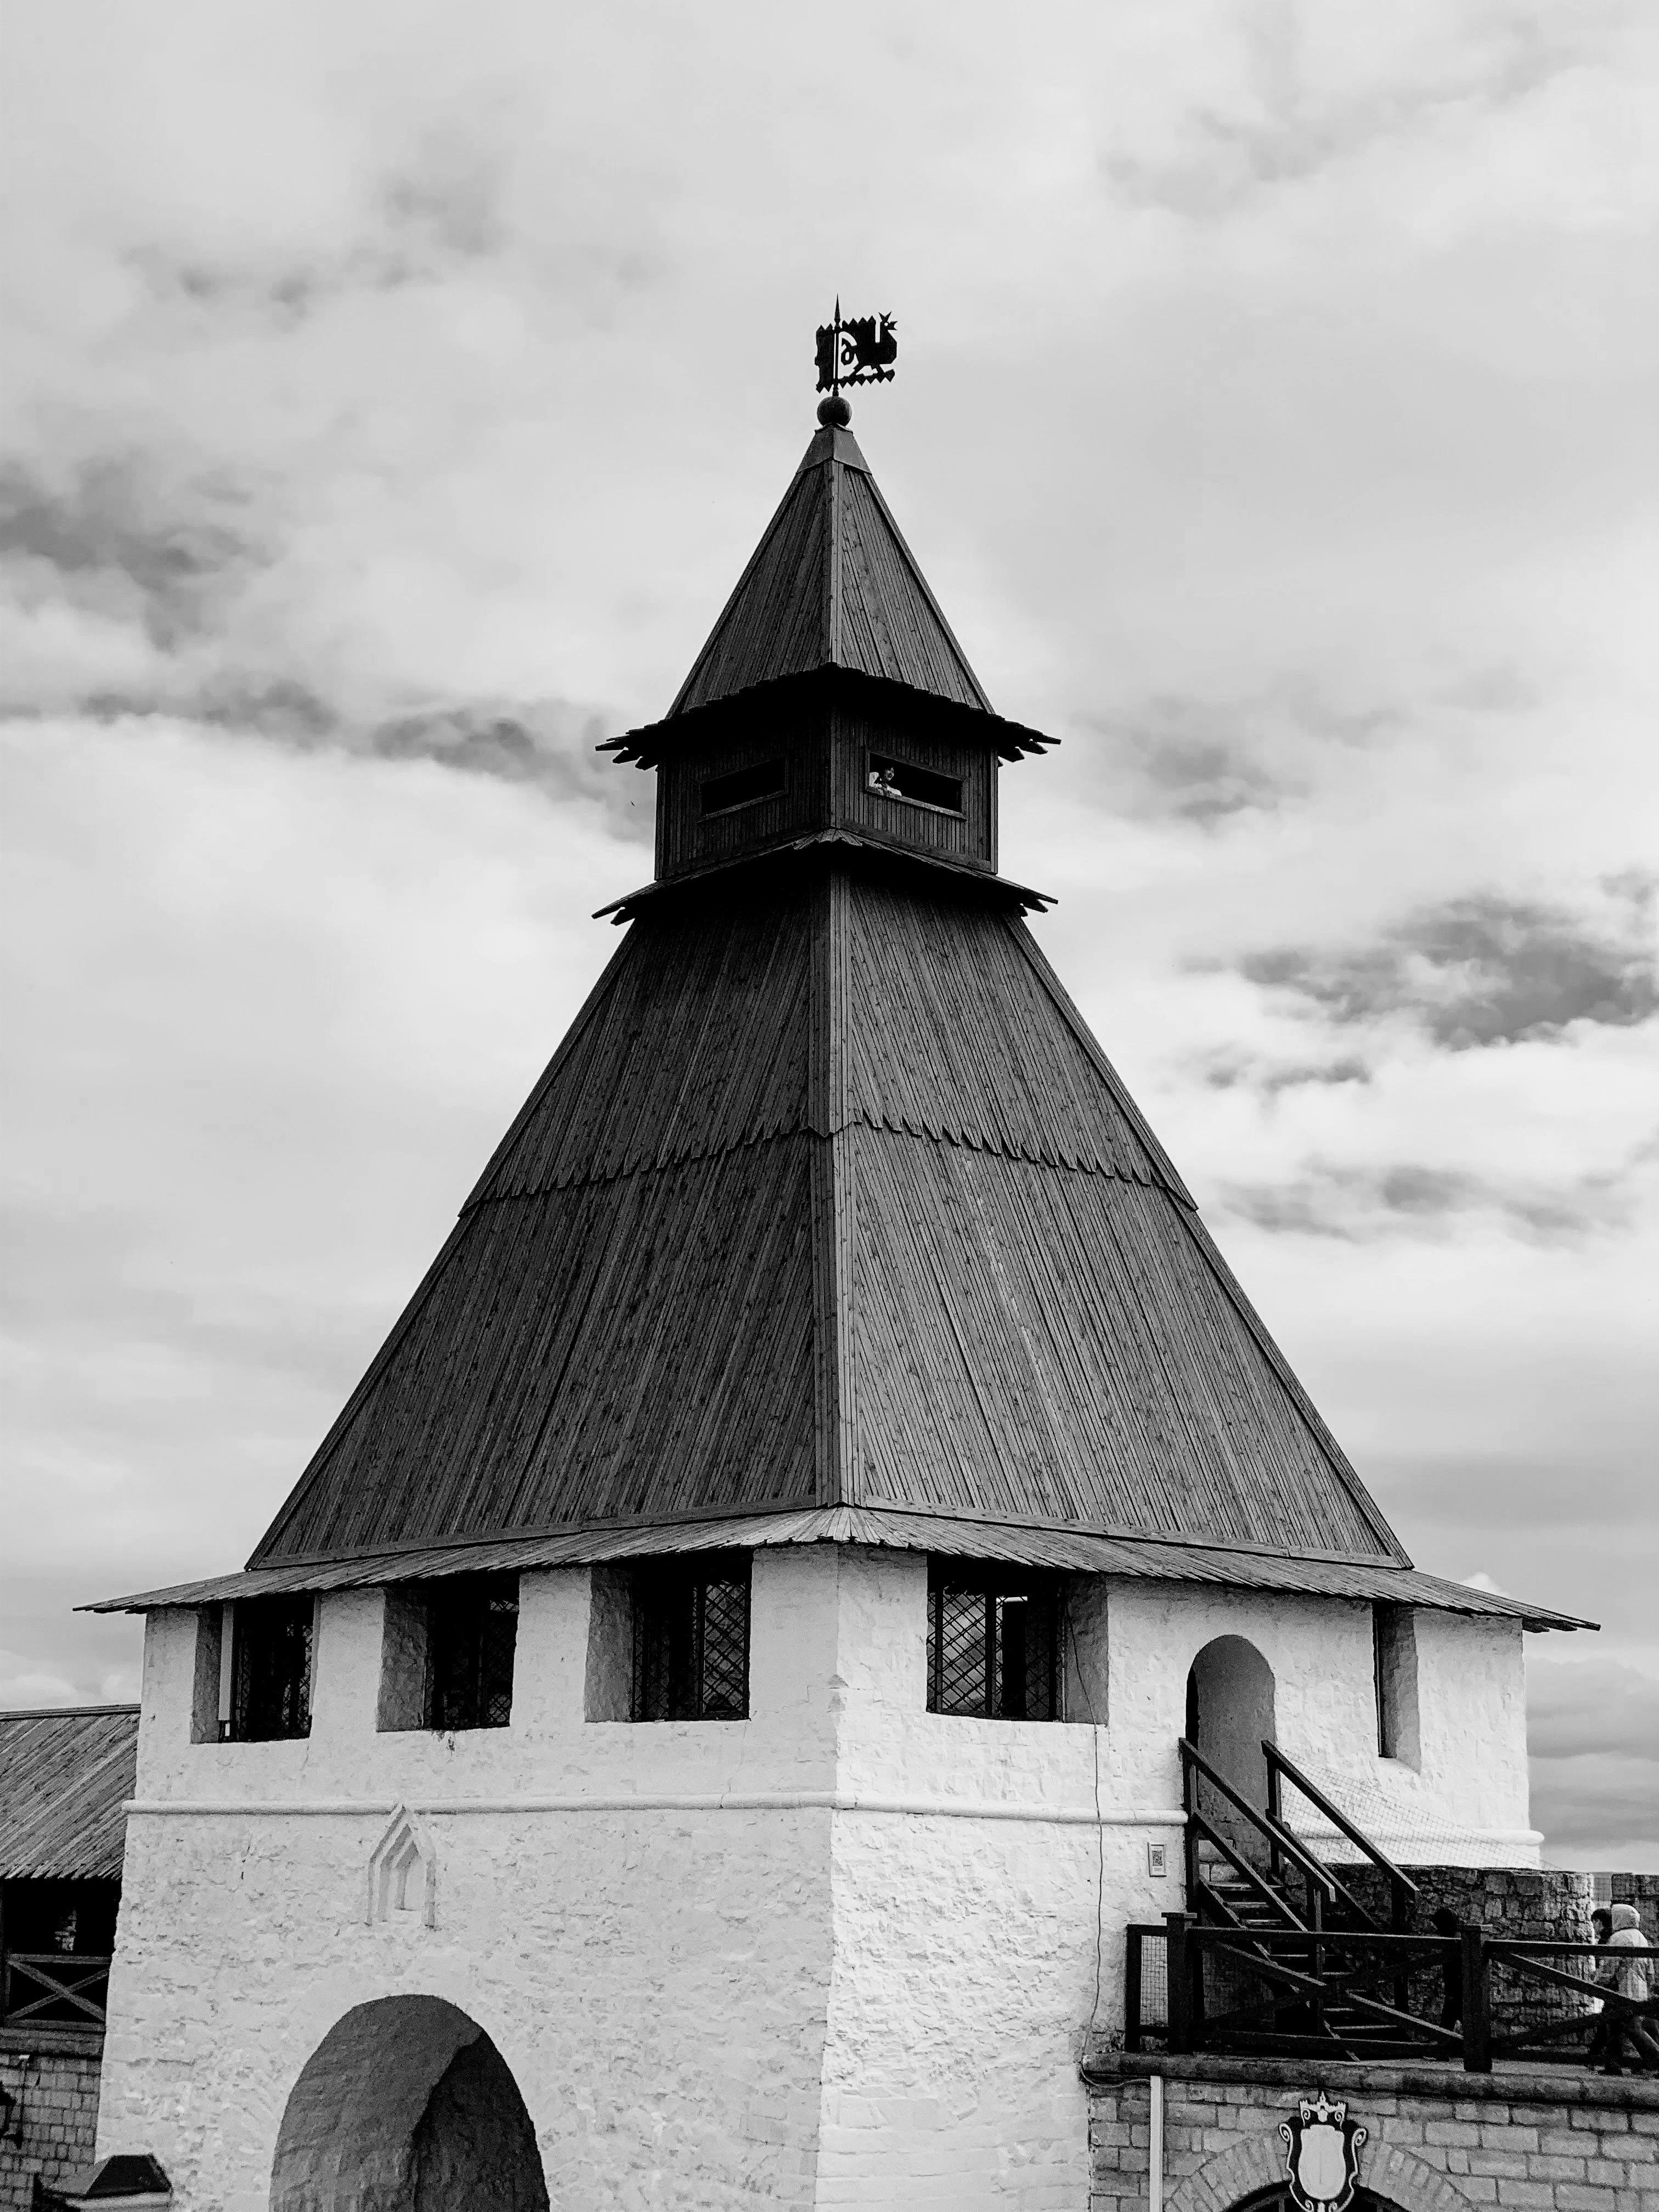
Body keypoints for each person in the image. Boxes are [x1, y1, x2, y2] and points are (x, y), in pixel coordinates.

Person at [1598, 1903, 1659, 2075]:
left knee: (1632, 2028)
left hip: (1624, 1989)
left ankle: (1655, 2059)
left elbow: (1610, 1965)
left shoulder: (1619, 1937)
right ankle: (1613, 2064)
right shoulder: (1640, 1937)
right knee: (1615, 2025)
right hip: (1640, 1989)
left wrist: (1599, 1981)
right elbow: (1650, 1968)